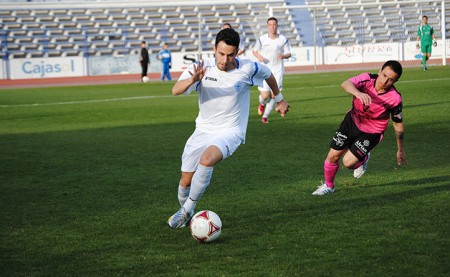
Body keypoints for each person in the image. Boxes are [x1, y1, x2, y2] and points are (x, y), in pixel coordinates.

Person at [167, 28, 290, 228]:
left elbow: (268, 75)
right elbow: (175, 90)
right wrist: (193, 80)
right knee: (185, 182)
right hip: (202, 130)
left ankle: (188, 209)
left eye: (230, 55)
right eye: (221, 54)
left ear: (237, 52)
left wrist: (280, 99)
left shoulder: (248, 68)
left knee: (207, 160)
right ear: (214, 49)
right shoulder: (202, 67)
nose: (225, 60)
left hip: (231, 131)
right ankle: (186, 212)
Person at [312, 60, 407, 196]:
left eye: (390, 80)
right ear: (380, 71)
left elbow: (398, 124)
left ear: (395, 82)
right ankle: (329, 186)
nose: (385, 81)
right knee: (332, 156)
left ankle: (363, 158)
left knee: (348, 163)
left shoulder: (395, 99)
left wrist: (400, 150)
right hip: (352, 121)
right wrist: (358, 93)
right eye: (384, 75)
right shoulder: (367, 79)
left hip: (372, 131)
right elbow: (346, 83)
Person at [252, 17, 291, 124]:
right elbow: (254, 51)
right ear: (267, 26)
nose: (272, 27)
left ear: (277, 26)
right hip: (264, 70)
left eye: (274, 24)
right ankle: (262, 103)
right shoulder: (262, 39)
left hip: (277, 71)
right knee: (265, 96)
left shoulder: (283, 39)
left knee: (274, 95)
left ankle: (265, 116)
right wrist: (259, 56)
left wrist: (283, 56)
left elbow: (289, 53)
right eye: (270, 25)